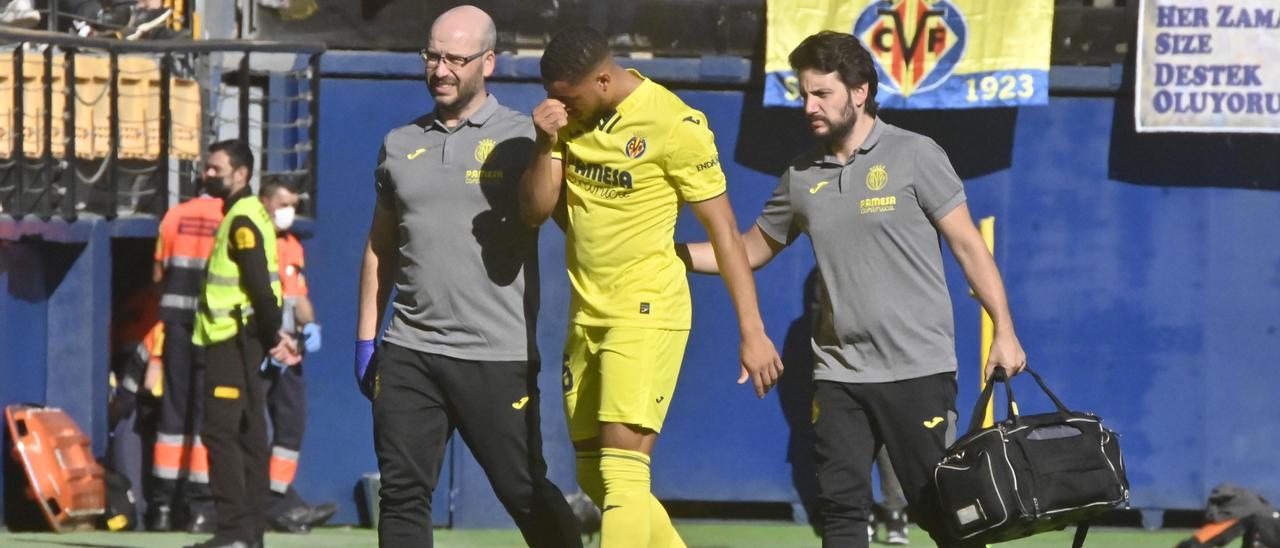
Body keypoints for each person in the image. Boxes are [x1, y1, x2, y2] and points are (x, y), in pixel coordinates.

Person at [679, 31, 1027, 548]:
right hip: (838, 374)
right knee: (841, 510)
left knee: (941, 510)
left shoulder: (915, 154)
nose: (809, 106)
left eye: (822, 94)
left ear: (860, 92)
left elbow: (969, 247)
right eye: (804, 94)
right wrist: (669, 254)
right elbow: (747, 250)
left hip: (918, 369)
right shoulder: (801, 177)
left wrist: (1005, 330)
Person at [521, 26, 784, 547]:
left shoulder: (673, 124)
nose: (560, 108)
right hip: (586, 312)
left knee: (622, 473)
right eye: (553, 97)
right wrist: (544, 141)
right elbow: (536, 211)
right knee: (593, 475)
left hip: (646, 310)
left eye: (569, 98)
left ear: (602, 79)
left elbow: (726, 233)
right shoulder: (565, 122)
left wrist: (752, 331)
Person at [354, 6, 582, 547]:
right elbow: (380, 247)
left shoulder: (525, 136)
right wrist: (367, 340)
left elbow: (540, 214)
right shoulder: (398, 143)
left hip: (496, 354)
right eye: (432, 56)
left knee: (524, 490)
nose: (441, 70)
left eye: (456, 59)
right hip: (409, 350)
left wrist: (547, 146)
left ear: (489, 62)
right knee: (402, 495)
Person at [188, 139, 301, 548]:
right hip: (244, 338)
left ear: (241, 174)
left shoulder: (241, 220)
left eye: (215, 169)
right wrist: (272, 334)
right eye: (207, 167)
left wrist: (272, 335)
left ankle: (234, 532)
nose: (207, 174)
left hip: (232, 341)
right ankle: (250, 535)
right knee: (250, 434)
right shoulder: (249, 214)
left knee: (220, 433)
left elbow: (258, 285)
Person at [257, 177, 337, 533]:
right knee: (251, 426)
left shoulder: (291, 245)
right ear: (264, 202)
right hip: (260, 348)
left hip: (289, 350)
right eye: (283, 204)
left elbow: (298, 296)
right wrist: (267, 341)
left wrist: (311, 325)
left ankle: (277, 499)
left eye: (293, 205)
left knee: (292, 423)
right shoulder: (252, 240)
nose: (288, 212)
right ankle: (271, 505)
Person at [150, 165, 225, 533]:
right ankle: (200, 509)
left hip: (176, 326)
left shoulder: (173, 216)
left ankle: (162, 507)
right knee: (205, 415)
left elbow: (157, 276)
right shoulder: (229, 216)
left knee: (173, 411)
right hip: (214, 329)